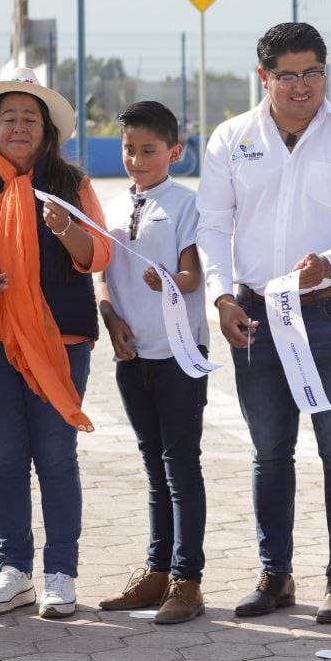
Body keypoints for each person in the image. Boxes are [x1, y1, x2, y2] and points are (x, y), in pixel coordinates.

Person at [197, 23, 331, 624]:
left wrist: (328, 262)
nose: (302, 86)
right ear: (265, 77)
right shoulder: (232, 138)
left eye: (312, 73)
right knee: (270, 452)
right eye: (288, 75)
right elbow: (210, 226)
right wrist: (223, 298)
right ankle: (275, 576)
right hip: (254, 316)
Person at [0, 69, 112, 618]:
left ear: (46, 130)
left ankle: (61, 571)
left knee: (56, 457)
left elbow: (98, 255)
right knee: (5, 459)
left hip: (60, 338)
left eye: (29, 119)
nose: (18, 127)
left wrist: (64, 228)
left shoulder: (71, 184)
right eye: (8, 118)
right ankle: (14, 571)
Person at [96, 101, 209, 624]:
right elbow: (101, 272)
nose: (137, 160)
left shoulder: (186, 203)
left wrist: (169, 280)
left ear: (175, 152)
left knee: (180, 465)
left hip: (179, 354)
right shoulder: (112, 207)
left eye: (149, 150)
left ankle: (188, 580)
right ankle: (156, 571)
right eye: (129, 150)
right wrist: (109, 317)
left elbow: (193, 275)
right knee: (152, 466)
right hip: (131, 354)